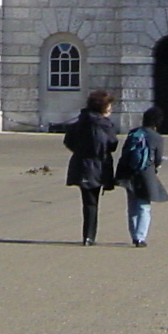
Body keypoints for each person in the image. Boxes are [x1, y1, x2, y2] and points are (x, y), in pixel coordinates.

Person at [62, 89, 118, 245]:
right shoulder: (104, 125)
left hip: (81, 163)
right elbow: (112, 145)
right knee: (93, 202)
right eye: (109, 106)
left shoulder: (81, 121)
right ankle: (89, 236)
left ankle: (88, 235)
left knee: (88, 202)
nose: (110, 109)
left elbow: (68, 141)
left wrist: (80, 152)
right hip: (98, 165)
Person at [115, 106, 168, 247]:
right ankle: (141, 237)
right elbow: (157, 159)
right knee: (144, 206)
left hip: (129, 173)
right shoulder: (157, 137)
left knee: (132, 205)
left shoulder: (134, 133)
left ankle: (134, 235)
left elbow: (125, 153)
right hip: (146, 173)